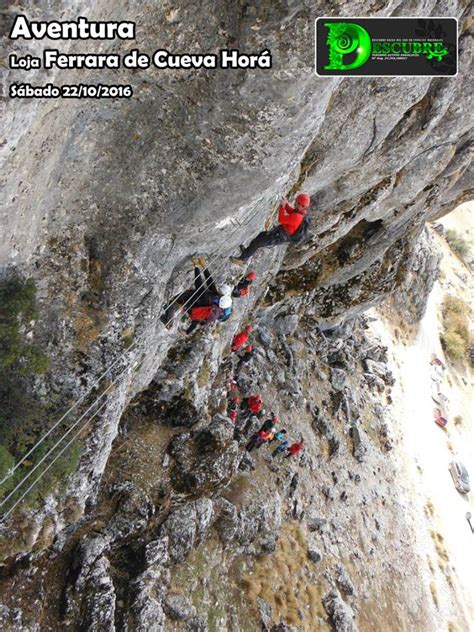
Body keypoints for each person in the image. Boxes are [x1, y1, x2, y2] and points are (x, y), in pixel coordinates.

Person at [231, 194, 311, 263]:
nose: (295, 203)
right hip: (280, 234)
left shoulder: (297, 217)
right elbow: (292, 211)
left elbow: (281, 219)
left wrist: (282, 207)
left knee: (258, 242)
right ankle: (246, 253)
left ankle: (242, 260)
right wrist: (285, 204)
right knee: (260, 236)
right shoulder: (302, 213)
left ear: (301, 205)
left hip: (279, 236)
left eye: (296, 202)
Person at [160, 258, 233, 332]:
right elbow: (210, 281)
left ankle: (168, 323)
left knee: (173, 304)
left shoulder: (208, 300)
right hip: (192, 301)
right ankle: (166, 318)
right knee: (171, 304)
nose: (218, 291)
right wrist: (204, 267)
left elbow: (199, 284)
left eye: (220, 292)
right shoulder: (215, 298)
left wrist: (196, 267)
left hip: (189, 303)